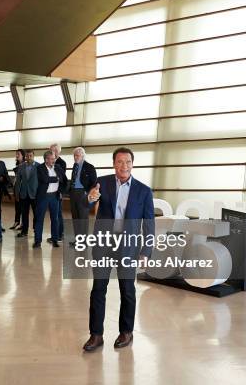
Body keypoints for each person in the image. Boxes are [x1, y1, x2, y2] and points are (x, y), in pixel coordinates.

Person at [83, 147, 154, 351]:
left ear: (132, 164)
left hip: (128, 248)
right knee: (98, 289)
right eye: (120, 162)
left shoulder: (143, 191)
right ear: (114, 163)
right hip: (104, 244)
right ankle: (96, 335)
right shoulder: (102, 184)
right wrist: (90, 199)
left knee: (127, 290)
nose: (124, 166)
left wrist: (146, 251)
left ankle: (126, 332)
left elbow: (149, 224)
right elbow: (85, 205)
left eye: (128, 162)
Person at [34, 150, 67, 248]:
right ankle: (37, 241)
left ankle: (55, 239)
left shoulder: (58, 167)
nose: (54, 160)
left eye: (54, 158)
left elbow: (64, 180)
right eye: (52, 159)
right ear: (46, 159)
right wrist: (56, 178)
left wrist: (61, 191)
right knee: (39, 219)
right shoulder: (39, 168)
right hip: (43, 197)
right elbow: (45, 179)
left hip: (55, 196)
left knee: (55, 219)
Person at [70, 147, 97, 241]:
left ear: (83, 156)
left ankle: (83, 241)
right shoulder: (75, 165)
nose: (75, 157)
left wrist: (88, 193)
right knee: (75, 217)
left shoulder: (89, 167)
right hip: (73, 193)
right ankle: (78, 240)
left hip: (83, 193)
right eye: (74, 155)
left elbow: (94, 182)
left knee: (83, 218)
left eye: (77, 155)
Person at [15, 150, 38, 238]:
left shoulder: (38, 166)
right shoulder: (21, 166)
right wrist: (17, 194)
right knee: (24, 214)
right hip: (24, 194)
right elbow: (18, 182)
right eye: (27, 156)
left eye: (30, 156)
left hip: (35, 194)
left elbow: (41, 181)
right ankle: (24, 231)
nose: (28, 158)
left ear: (33, 156)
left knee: (36, 214)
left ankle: (36, 230)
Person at [49, 143, 66, 243]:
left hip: (58, 191)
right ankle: (55, 234)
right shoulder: (50, 160)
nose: (50, 152)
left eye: (51, 150)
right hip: (50, 191)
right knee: (53, 214)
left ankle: (60, 234)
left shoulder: (61, 163)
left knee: (58, 213)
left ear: (56, 151)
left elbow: (60, 178)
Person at [9, 149, 26, 230]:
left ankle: (23, 224)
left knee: (23, 207)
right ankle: (17, 222)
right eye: (16, 154)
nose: (16, 155)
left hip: (22, 189)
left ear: (23, 155)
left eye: (18, 154)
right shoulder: (17, 166)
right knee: (17, 206)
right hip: (16, 188)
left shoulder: (25, 165)